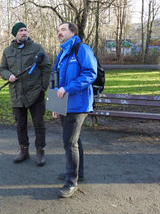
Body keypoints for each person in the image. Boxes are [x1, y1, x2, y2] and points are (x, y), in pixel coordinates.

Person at [52, 22, 97, 198]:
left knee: (69, 142)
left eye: (63, 29)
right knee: (74, 141)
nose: (59, 33)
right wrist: (55, 105)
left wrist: (68, 89)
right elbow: (56, 81)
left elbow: (90, 74)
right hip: (64, 104)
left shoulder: (82, 49)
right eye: (58, 30)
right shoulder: (62, 53)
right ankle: (79, 173)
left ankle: (71, 182)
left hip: (78, 105)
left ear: (72, 32)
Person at [0, 22, 52, 166]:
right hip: (17, 94)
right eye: (21, 31)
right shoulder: (7, 51)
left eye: (25, 30)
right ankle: (23, 151)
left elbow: (47, 67)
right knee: (20, 125)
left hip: (35, 93)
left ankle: (40, 151)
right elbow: (2, 69)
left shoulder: (37, 48)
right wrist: (8, 75)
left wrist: (43, 87)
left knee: (39, 124)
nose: (24, 33)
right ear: (15, 34)